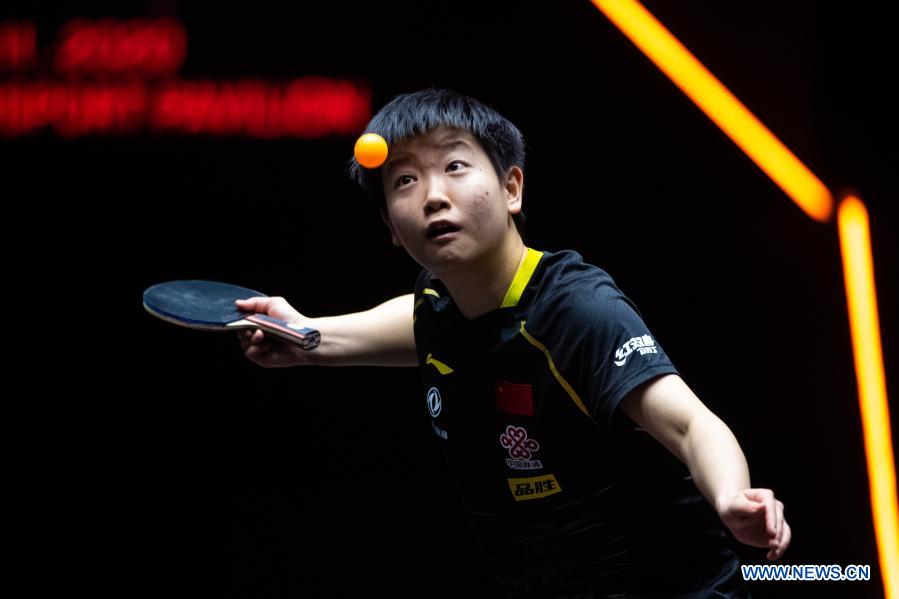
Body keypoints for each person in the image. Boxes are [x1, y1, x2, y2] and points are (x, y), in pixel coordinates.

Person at [233, 88, 791, 598]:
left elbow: (691, 423)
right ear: (390, 227)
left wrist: (730, 497)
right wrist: (309, 334)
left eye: (455, 166)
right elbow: (423, 321)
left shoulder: (576, 311)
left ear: (511, 187)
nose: (432, 196)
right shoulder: (440, 300)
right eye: (404, 180)